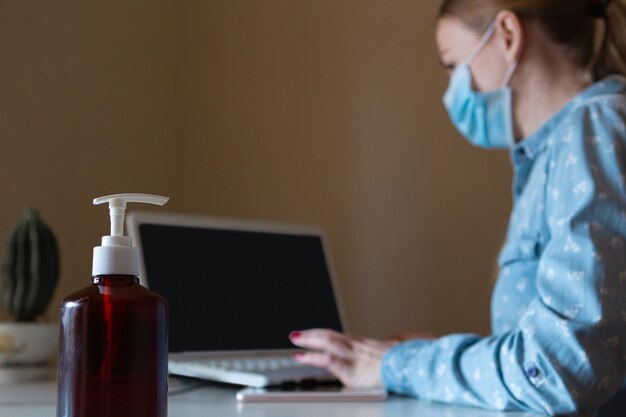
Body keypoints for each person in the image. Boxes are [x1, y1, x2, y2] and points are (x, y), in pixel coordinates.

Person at [289, 0, 626, 415]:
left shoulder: (592, 131)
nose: (453, 90)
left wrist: (403, 365)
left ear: (507, 35)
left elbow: (556, 371)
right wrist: (440, 355)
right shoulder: (557, 151)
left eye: (452, 65)